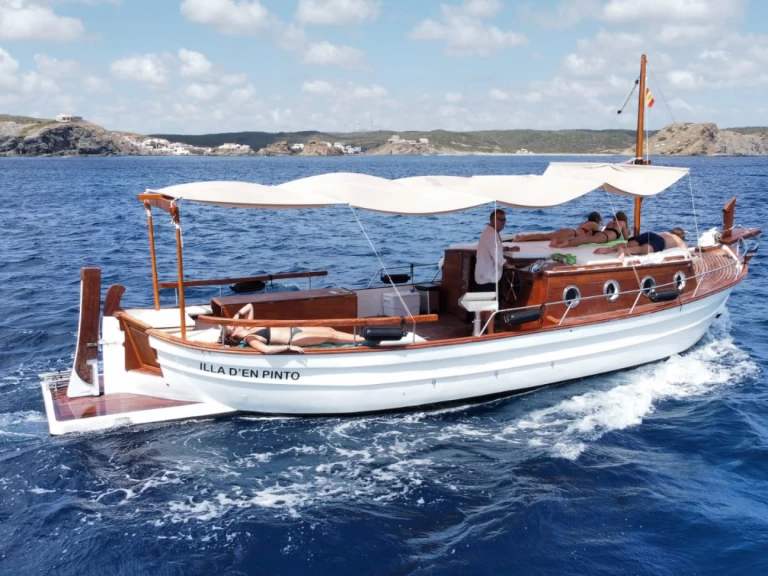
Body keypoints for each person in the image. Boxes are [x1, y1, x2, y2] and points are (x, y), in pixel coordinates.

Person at [224, 303, 365, 353]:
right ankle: (362, 340)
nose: (235, 325)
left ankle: (360, 338)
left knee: (330, 330)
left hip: (296, 329)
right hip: (294, 338)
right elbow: (266, 350)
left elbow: (250, 305)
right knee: (331, 337)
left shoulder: (249, 326)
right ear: (234, 336)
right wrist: (288, 348)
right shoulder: (250, 338)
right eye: (233, 329)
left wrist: (236, 316)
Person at [474, 208, 519, 293]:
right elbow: (497, 256)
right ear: (492, 220)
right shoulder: (491, 235)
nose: (504, 222)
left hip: (485, 277)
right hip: (487, 280)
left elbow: (494, 247)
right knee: (490, 305)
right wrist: (508, 265)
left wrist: (508, 249)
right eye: (501, 219)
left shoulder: (490, 231)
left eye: (504, 219)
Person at [513, 211, 602, 247]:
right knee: (545, 236)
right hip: (570, 233)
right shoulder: (594, 224)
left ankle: (523, 237)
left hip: (570, 232)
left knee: (545, 237)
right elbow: (599, 235)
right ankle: (521, 238)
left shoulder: (585, 223)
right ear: (597, 219)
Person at [550, 211, 631, 248]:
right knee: (584, 240)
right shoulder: (622, 223)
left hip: (599, 233)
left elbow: (604, 230)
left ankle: (558, 241)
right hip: (604, 237)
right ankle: (563, 245)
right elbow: (626, 239)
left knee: (580, 238)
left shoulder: (610, 222)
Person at [593, 227, 687, 256]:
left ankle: (610, 249)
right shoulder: (678, 240)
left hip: (652, 234)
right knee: (642, 249)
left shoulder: (666, 232)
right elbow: (686, 251)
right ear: (681, 236)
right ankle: (624, 251)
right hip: (660, 241)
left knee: (629, 244)